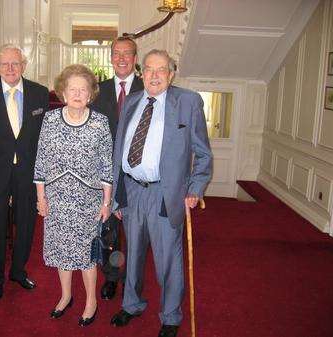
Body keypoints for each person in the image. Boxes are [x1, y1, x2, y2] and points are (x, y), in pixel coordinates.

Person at [109, 49, 212, 337]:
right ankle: (132, 304)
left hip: (166, 194)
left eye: (161, 70)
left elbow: (203, 154)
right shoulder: (131, 101)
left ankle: (170, 316)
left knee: (168, 259)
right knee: (133, 254)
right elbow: (120, 149)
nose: (154, 75)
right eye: (149, 70)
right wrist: (118, 193)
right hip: (131, 188)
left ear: (171, 73)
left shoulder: (188, 102)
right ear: (141, 72)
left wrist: (195, 189)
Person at [34, 64, 113, 327]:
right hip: (56, 199)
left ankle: (91, 301)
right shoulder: (50, 120)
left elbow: (106, 167)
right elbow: (41, 161)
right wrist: (41, 197)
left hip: (87, 201)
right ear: (63, 93)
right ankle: (66, 296)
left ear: (90, 94)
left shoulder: (100, 123)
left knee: (86, 255)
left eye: (83, 89)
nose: (78, 94)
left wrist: (106, 202)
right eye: (72, 89)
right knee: (61, 251)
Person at [0, 44, 49, 299]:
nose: (10, 68)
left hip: (28, 171)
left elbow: (43, 135)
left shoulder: (39, 93)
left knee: (26, 222)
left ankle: (18, 270)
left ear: (24, 65)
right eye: (5, 64)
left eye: (15, 63)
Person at [90, 36, 144, 301]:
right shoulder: (97, 91)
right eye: (116, 53)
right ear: (111, 58)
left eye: (127, 54)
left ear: (135, 59)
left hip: (138, 175)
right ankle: (112, 277)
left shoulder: (149, 89)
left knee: (135, 231)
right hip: (106, 174)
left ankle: (133, 281)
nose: (121, 58)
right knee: (110, 231)